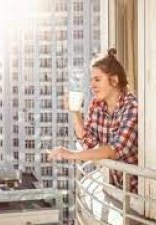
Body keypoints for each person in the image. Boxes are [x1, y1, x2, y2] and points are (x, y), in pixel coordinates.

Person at [48, 48, 138, 193]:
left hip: (137, 195)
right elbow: (88, 143)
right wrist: (74, 112)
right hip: (113, 189)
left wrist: (71, 154)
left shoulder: (132, 107)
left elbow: (113, 150)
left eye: (97, 79)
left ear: (114, 80)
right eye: (91, 80)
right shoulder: (97, 105)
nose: (92, 85)